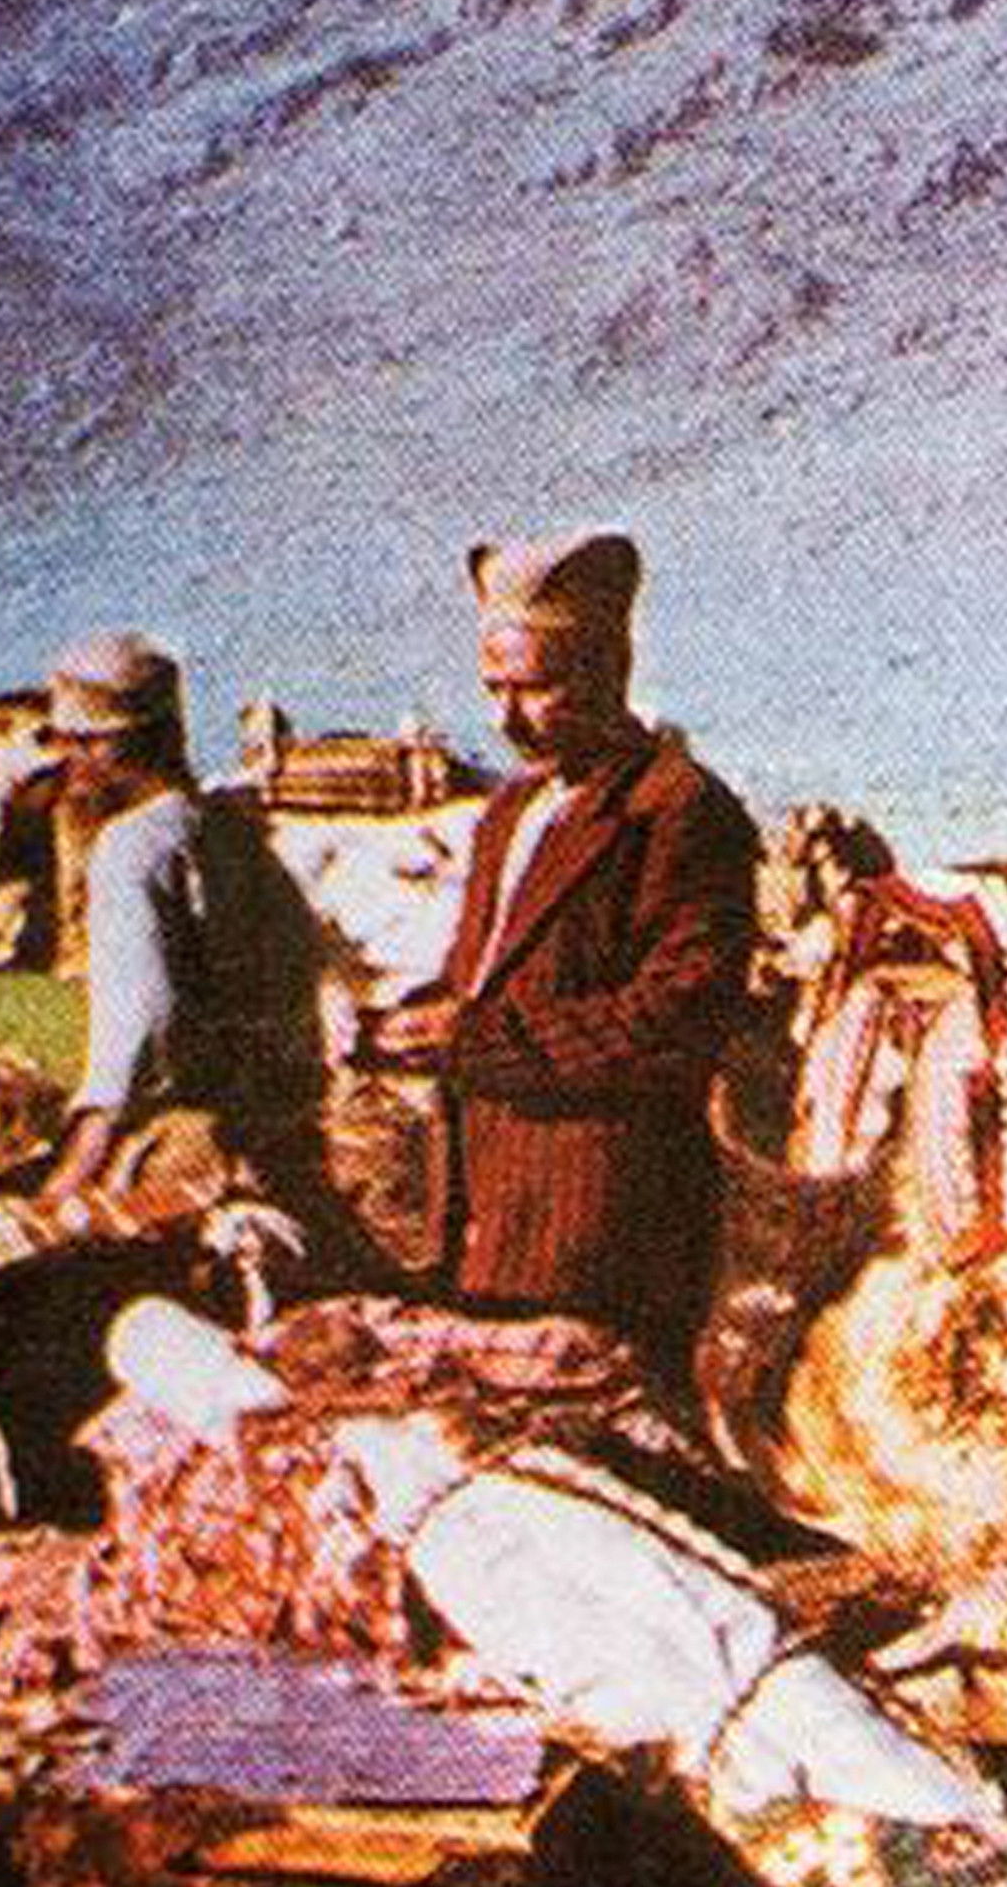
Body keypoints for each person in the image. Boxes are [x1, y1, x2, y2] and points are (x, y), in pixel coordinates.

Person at [366, 532, 756, 1381]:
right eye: (494, 689)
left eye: (535, 689)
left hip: (604, 1236)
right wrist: (403, 1025)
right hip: (487, 1218)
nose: (506, 719)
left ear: (609, 668)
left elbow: (678, 1019)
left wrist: (475, 1040)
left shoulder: (678, 809)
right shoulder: (511, 812)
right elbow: (493, 977)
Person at [31, 631, 325, 1206]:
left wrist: (72, 1172)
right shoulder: (232, 832)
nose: (68, 761)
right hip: (270, 1132)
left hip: (179, 1144)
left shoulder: (131, 848)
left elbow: (140, 1028)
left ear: (112, 746)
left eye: (80, 742)